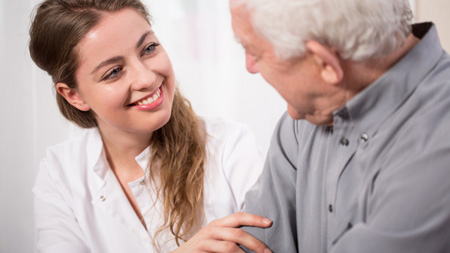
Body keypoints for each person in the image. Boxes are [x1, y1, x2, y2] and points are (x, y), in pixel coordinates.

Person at [29, 0, 273, 252]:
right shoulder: (60, 172)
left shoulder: (230, 146)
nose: (146, 78)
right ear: (73, 95)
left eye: (149, 48)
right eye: (114, 71)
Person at [230, 0, 450, 252]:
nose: (249, 66)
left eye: (255, 52)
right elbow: (250, 244)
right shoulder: (306, 116)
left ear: (324, 64)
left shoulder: (438, 147)